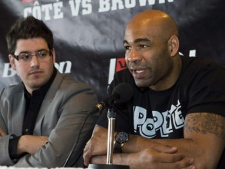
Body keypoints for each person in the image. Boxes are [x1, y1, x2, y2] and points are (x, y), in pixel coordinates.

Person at [83, 10, 225, 169]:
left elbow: (202, 157)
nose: (131, 57)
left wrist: (124, 142)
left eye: (143, 45)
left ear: (172, 47)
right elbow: (95, 152)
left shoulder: (206, 77)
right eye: (128, 47)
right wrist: (134, 161)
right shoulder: (123, 82)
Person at [0, 15, 98, 167]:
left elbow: (55, 159)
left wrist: (8, 148)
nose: (35, 63)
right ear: (12, 62)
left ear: (53, 56)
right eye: (25, 56)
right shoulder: (6, 97)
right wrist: (21, 143)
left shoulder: (79, 95)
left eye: (41, 54)